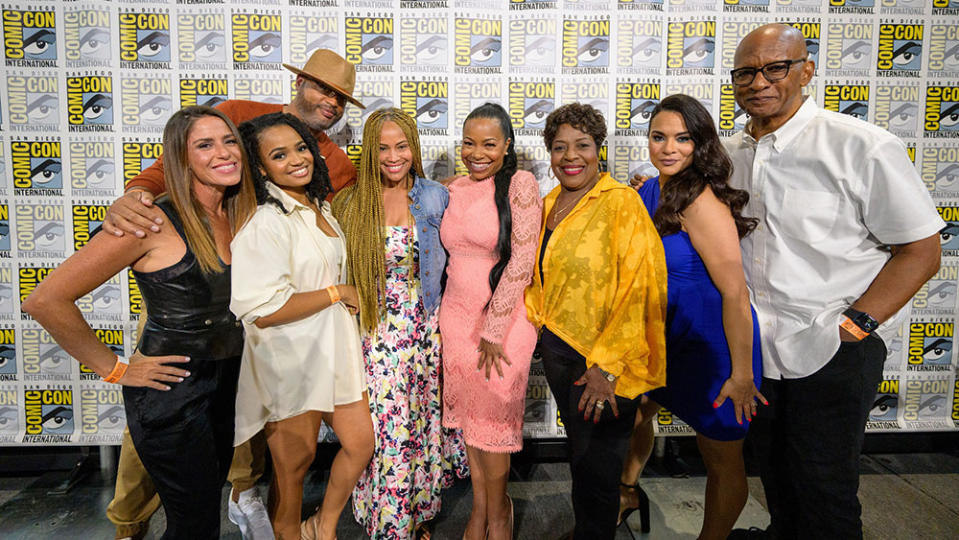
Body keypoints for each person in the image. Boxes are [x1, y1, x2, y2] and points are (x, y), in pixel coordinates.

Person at [100, 48, 364, 540]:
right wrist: (135, 192)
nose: (331, 102)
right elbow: (171, 166)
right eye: (323, 88)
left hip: (270, 301)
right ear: (301, 82)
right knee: (162, 409)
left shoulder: (335, 160)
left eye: (341, 98)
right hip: (197, 287)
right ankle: (128, 520)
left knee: (245, 407)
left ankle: (245, 496)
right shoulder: (239, 115)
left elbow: (331, 221)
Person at [726, 24, 943, 540]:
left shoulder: (861, 146)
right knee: (776, 478)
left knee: (826, 491)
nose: (760, 81)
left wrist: (855, 324)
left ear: (806, 70)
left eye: (775, 67)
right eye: (746, 72)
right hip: (759, 352)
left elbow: (921, 250)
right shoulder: (729, 151)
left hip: (831, 347)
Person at [23, 106, 257, 539]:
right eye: (204, 145)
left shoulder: (240, 212)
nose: (224, 153)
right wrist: (115, 368)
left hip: (226, 385)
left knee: (203, 515)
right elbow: (46, 299)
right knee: (195, 525)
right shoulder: (148, 222)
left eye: (229, 141)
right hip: (172, 394)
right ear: (180, 159)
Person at [524, 102, 667, 540]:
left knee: (600, 468)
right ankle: (588, 530)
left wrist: (606, 366)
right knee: (582, 460)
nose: (571, 156)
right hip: (559, 350)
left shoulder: (621, 203)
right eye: (560, 147)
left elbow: (642, 288)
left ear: (598, 149)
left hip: (604, 362)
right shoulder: (547, 204)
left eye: (582, 145)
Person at [626, 94, 765, 540]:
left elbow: (735, 293)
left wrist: (742, 374)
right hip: (667, 339)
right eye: (659, 137)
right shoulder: (652, 188)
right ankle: (626, 493)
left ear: (700, 142)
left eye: (683, 139)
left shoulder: (702, 201)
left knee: (721, 457)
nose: (669, 148)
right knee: (633, 416)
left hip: (713, 345)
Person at [231, 112, 374, 540]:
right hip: (289, 360)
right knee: (292, 472)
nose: (297, 159)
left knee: (360, 442)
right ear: (260, 168)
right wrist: (337, 293)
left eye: (300, 148)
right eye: (279, 154)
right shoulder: (266, 221)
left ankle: (323, 527)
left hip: (334, 353)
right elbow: (261, 308)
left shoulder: (320, 206)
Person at [332, 108, 468, 539]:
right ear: (370, 152)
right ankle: (390, 520)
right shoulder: (349, 202)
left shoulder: (435, 196)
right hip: (374, 331)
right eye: (383, 148)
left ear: (415, 147)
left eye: (402, 146)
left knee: (419, 420)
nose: (393, 156)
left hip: (425, 328)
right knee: (386, 426)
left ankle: (416, 512)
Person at [439, 103, 542, 540]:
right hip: (456, 318)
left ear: (507, 146)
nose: (476, 153)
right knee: (471, 428)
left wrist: (494, 329)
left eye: (488, 144)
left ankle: (500, 513)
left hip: (503, 322)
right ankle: (479, 513)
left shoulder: (520, 183)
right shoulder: (452, 187)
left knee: (493, 426)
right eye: (468, 143)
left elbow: (522, 259)